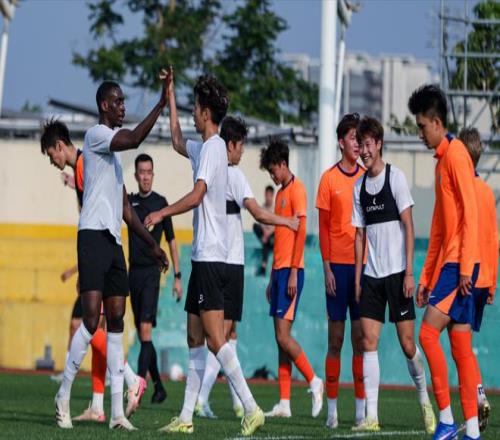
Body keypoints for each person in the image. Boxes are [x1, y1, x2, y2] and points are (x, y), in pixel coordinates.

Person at [144, 68, 264, 436]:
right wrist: (170, 93)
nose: (193, 114)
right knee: (194, 338)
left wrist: (162, 212)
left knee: (215, 339)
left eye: (195, 108)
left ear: (206, 112)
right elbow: (177, 141)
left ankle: (251, 408)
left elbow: (197, 195)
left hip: (212, 257)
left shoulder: (214, 148)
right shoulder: (205, 146)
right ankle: (185, 417)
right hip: (203, 258)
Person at [54, 75, 169, 431]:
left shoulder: (114, 161)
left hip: (114, 242)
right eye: (118, 101)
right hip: (91, 237)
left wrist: (153, 246)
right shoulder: (96, 135)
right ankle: (63, 395)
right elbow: (133, 138)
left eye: (123, 101)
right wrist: (161, 104)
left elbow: (127, 212)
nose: (122, 106)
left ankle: (117, 414)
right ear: (104, 105)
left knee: (117, 322)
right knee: (91, 322)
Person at [195, 116, 299, 419]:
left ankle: (236, 403)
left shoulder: (206, 165)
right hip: (229, 263)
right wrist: (287, 222)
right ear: (231, 145)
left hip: (213, 260)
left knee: (227, 334)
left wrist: (170, 102)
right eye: (241, 146)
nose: (242, 152)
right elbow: (258, 214)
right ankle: (204, 398)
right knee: (221, 335)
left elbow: (178, 142)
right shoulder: (233, 174)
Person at [352, 116, 435, 433]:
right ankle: (371, 417)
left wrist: (410, 273)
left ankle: (424, 399)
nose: (363, 151)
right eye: (360, 146)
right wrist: (358, 278)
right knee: (368, 341)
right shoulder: (358, 187)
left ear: (379, 144)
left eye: (368, 145)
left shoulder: (395, 177)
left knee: (407, 344)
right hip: (372, 277)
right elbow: (359, 235)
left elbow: (409, 226)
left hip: (398, 275)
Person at [409, 84, 480, 440]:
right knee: (461, 348)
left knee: (426, 334)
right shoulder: (442, 161)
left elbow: (471, 214)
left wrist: (465, 267)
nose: (419, 133)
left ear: (436, 123)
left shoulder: (456, 156)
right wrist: (425, 278)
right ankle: (474, 432)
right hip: (451, 264)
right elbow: (439, 227)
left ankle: (448, 421)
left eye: (422, 126)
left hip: (459, 265)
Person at [259, 137, 324, 419]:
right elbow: (281, 239)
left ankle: (314, 380)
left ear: (283, 164)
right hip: (279, 272)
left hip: (291, 272)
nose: (272, 177)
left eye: (273, 171)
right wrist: (272, 277)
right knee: (279, 339)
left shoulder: (298, 190)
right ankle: (284, 403)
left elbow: (301, 232)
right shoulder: (281, 193)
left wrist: (294, 271)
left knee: (283, 336)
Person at [315, 113, 366, 429]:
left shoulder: (368, 177)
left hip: (362, 269)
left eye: (360, 138)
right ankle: (332, 412)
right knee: (336, 340)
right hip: (337, 268)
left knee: (361, 341)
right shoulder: (329, 179)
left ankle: (361, 412)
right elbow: (322, 228)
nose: (358, 144)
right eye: (352, 138)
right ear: (340, 142)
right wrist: (327, 269)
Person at [128, 153, 183, 404]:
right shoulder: (129, 203)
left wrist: (178, 276)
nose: (146, 177)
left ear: (153, 174)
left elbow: (171, 241)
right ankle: (159, 387)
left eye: (149, 172)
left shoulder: (161, 204)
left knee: (145, 330)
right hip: (133, 273)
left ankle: (137, 389)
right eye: (142, 172)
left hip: (152, 273)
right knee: (143, 336)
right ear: (136, 175)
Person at [458, 127, 497, 432]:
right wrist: (493, 283)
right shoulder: (486, 191)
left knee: (461, 345)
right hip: (484, 279)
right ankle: (479, 395)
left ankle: (478, 396)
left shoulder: (463, 189)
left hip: (467, 276)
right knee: (466, 343)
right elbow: (494, 239)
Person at [253, 185, 275, 275]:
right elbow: (261, 222)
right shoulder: (262, 207)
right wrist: (265, 233)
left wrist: (267, 234)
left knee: (268, 241)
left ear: (272, 196)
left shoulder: (275, 207)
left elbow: (276, 225)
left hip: (272, 233)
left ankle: (263, 266)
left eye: (270, 195)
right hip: (265, 234)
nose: (268, 197)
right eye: (266, 195)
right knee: (255, 226)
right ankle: (266, 241)